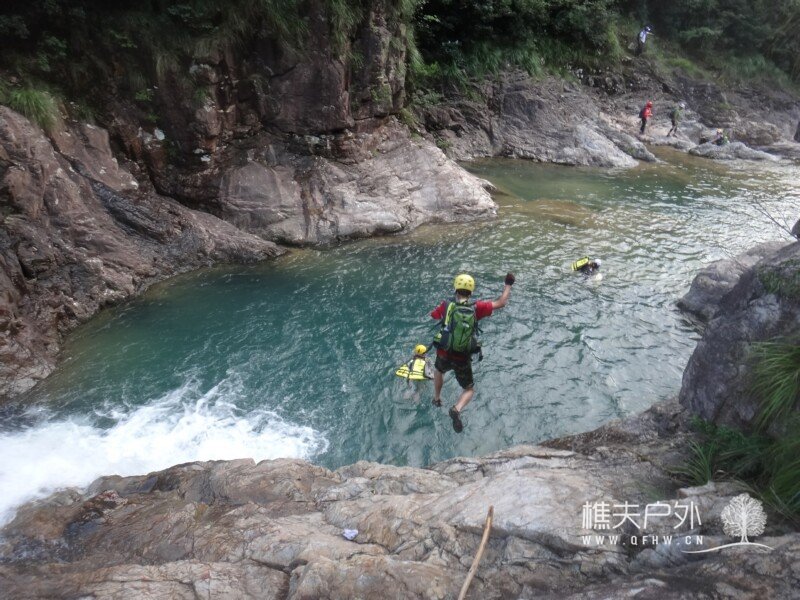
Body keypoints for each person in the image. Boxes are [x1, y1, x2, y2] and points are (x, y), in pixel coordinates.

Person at [430, 272, 514, 433]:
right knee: (469, 389)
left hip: (444, 352)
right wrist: (508, 285)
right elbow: (501, 302)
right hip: (462, 357)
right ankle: (457, 408)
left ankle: (437, 398)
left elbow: (433, 316)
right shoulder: (477, 307)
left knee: (439, 370)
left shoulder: (446, 305)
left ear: (455, 289)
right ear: (471, 291)